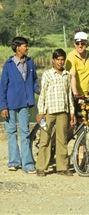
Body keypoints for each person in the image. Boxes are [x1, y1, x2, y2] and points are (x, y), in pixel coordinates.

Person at [0, 37, 40, 173]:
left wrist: (39, 90)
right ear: (18, 48)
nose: (27, 48)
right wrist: (3, 106)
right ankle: (14, 161)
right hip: (10, 104)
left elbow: (34, 81)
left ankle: (28, 164)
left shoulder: (30, 62)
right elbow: (3, 87)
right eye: (25, 46)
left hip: (25, 102)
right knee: (11, 132)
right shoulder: (9, 64)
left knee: (25, 132)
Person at [35, 49, 75, 177]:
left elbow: (69, 95)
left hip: (63, 111)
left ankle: (62, 167)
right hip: (49, 112)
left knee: (62, 140)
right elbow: (43, 94)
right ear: (53, 60)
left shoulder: (67, 75)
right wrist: (41, 112)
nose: (60, 62)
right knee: (45, 139)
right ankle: (41, 167)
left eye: (62, 60)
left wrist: (72, 113)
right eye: (58, 59)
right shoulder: (47, 74)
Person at [65, 31, 89, 98]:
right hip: (73, 94)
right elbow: (72, 76)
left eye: (83, 43)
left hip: (86, 94)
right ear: (74, 44)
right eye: (77, 43)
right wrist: (76, 94)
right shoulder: (71, 56)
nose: (80, 46)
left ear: (87, 44)